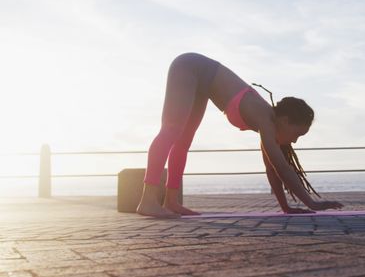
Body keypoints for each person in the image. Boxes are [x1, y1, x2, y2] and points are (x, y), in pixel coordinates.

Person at [136, 52, 344, 218]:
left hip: (201, 84)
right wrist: (311, 202)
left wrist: (286, 207)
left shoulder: (267, 126)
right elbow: (281, 166)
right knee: (171, 129)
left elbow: (272, 168)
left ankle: (171, 201)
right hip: (189, 67)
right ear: (285, 121)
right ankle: (147, 200)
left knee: (183, 142)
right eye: (297, 134)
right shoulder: (264, 118)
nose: (295, 141)